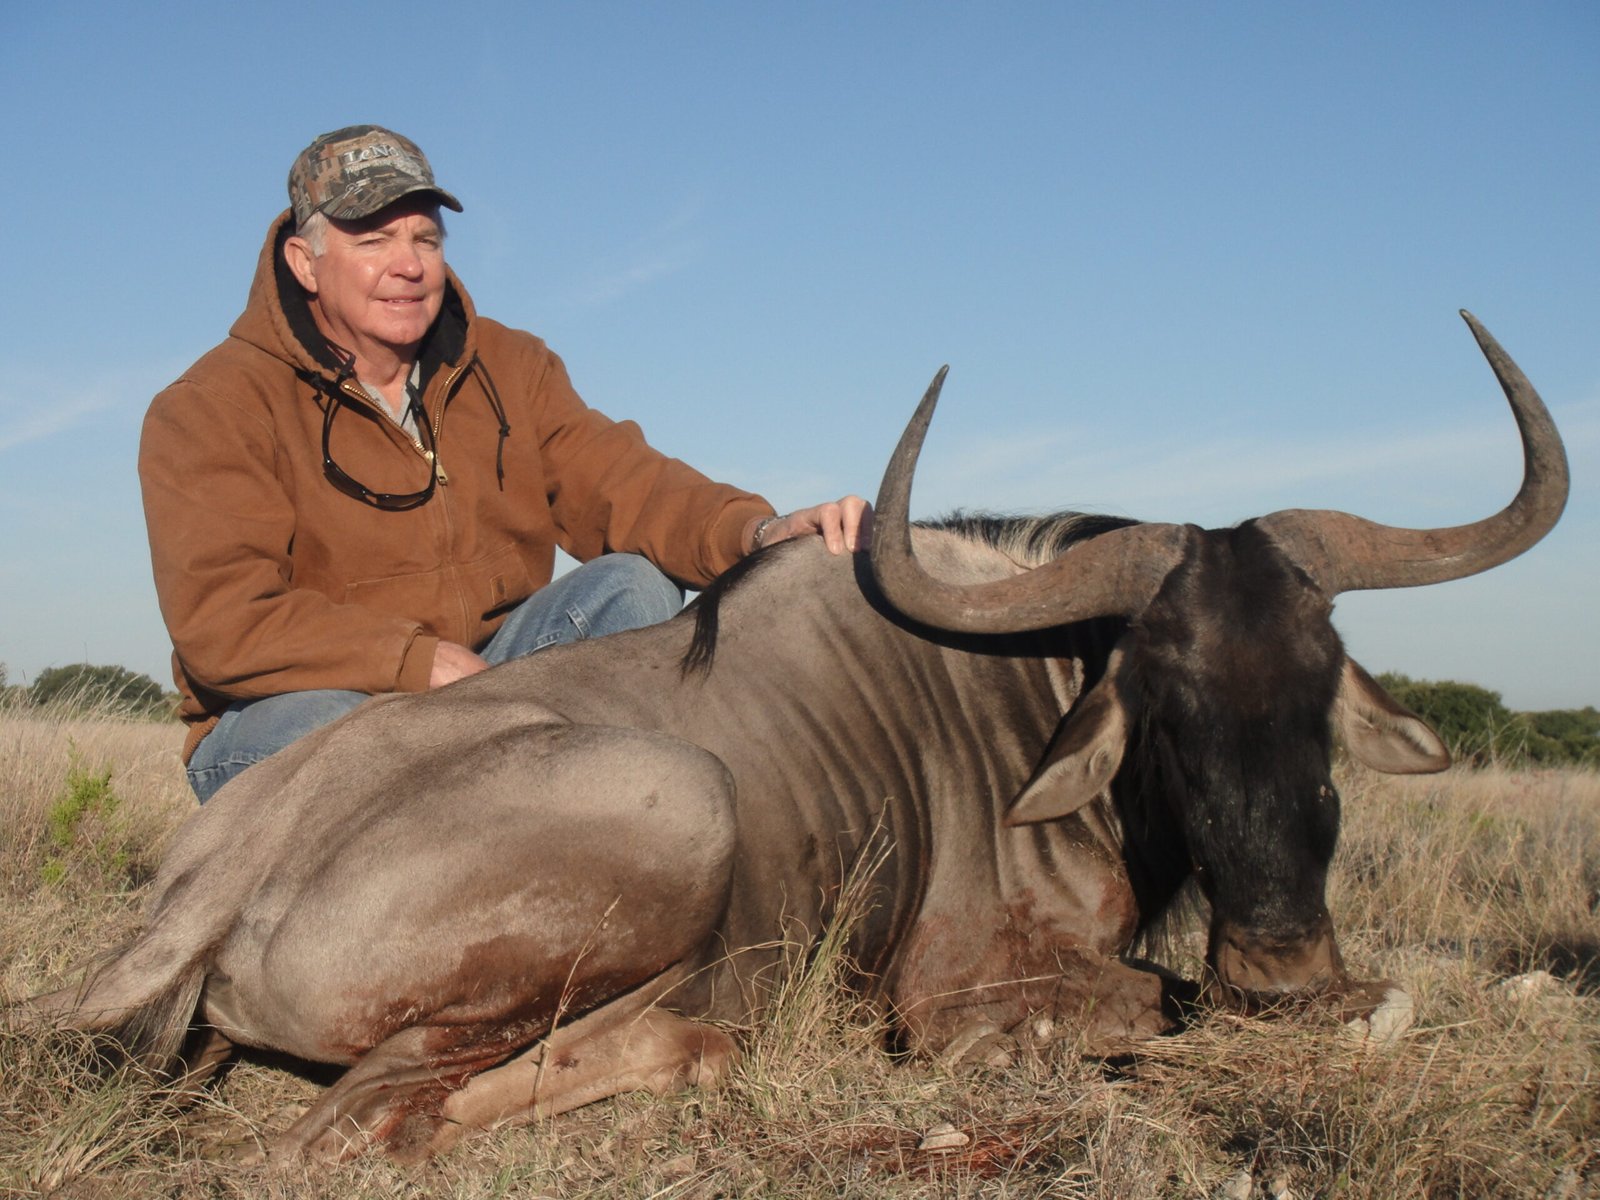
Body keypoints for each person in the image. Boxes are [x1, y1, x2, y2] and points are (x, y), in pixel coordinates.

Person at [140, 125, 870, 803]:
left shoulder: (509, 364)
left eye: (426, 238)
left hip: (488, 681)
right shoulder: (210, 406)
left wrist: (760, 534)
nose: (408, 264)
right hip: (303, 710)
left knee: (635, 587)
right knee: (338, 733)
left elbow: (625, 482)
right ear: (306, 261)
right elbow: (224, 623)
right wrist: (411, 662)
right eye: (373, 239)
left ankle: (584, 826)